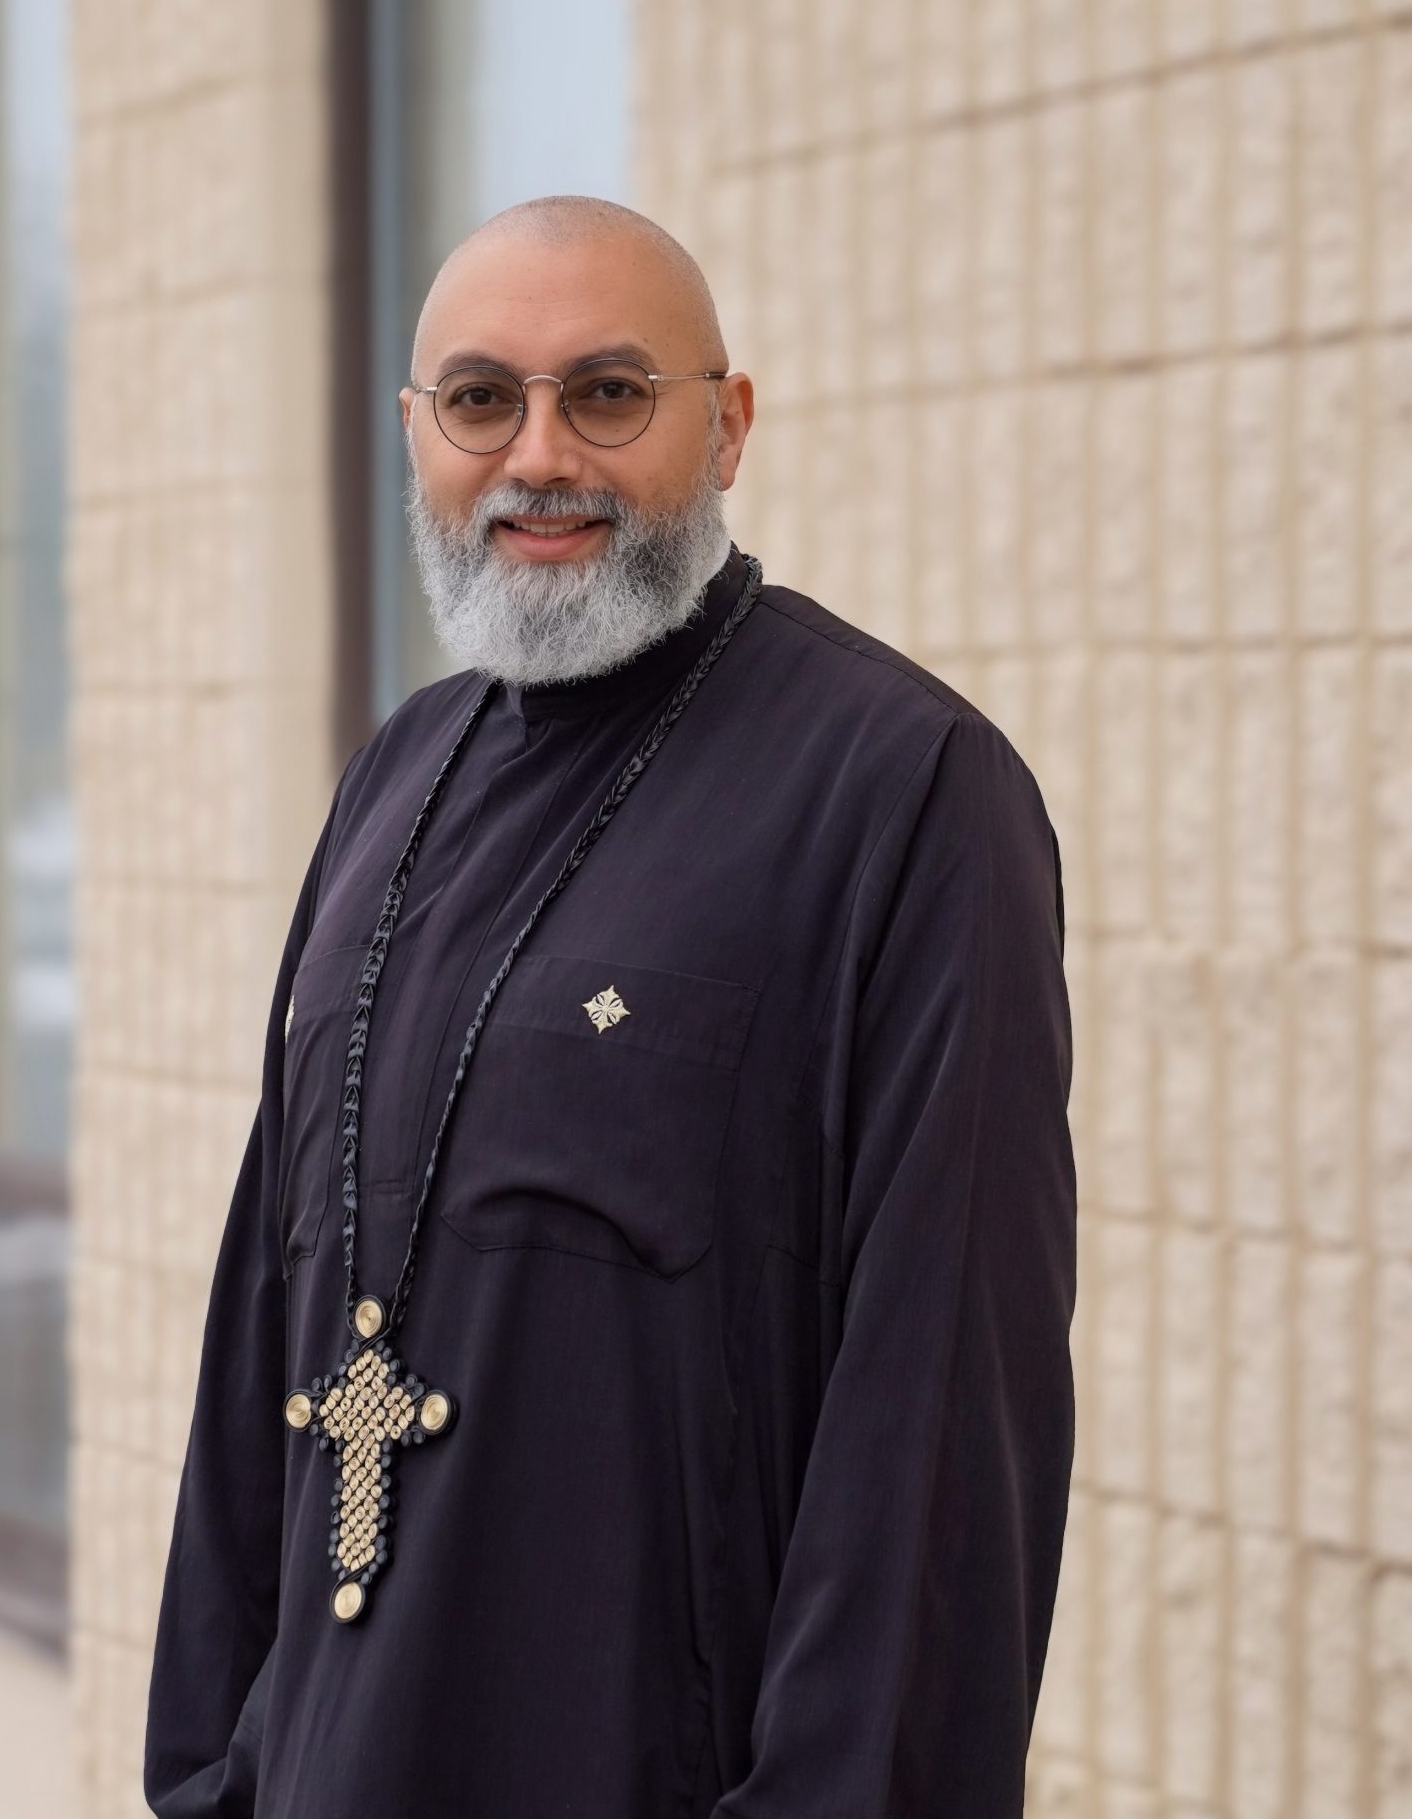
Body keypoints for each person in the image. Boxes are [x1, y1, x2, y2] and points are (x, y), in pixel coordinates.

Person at [144, 194, 1076, 1819]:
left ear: (730, 428)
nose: (541, 458)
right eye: (483, 399)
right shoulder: (392, 780)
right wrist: (212, 1770)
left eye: (612, 393)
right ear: (419, 432)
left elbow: (936, 1432)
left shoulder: (905, 792)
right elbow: (264, 1331)